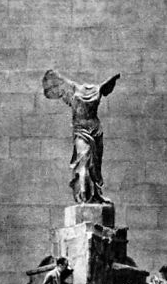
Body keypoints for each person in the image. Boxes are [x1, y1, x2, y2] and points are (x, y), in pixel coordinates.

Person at [42, 68, 120, 204]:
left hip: (94, 130)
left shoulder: (92, 89)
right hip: (83, 130)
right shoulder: (79, 89)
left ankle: (94, 194)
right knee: (84, 161)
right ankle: (84, 195)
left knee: (94, 165)